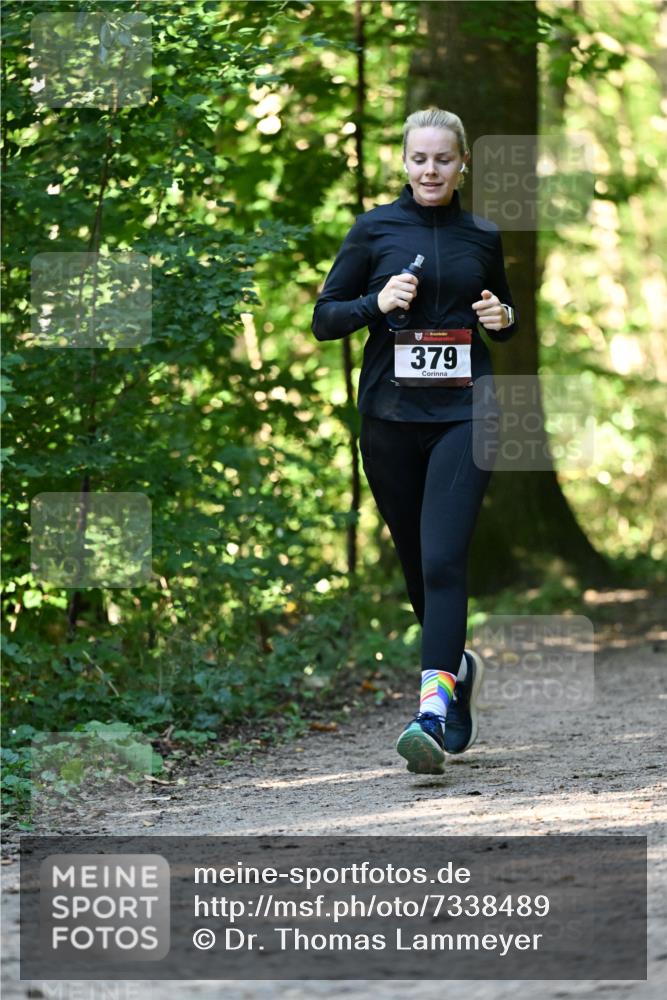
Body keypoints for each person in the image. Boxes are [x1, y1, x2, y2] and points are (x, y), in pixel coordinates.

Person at [311, 108, 518, 775]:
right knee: (414, 565)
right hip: (390, 419)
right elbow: (324, 319)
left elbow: (504, 317)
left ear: (463, 164)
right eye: (418, 159)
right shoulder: (373, 229)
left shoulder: (481, 234)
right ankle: (453, 666)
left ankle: (429, 708)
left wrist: (501, 316)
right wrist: (375, 303)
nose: (429, 170)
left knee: (442, 560)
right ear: (403, 162)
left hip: (466, 414)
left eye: (442, 159)